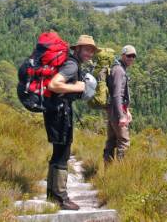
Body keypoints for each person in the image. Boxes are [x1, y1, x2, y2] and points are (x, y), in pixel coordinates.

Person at [45, 34, 97, 210]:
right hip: (60, 113)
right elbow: (53, 84)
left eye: (92, 50)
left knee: (58, 152)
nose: (89, 53)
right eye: (86, 49)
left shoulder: (71, 63)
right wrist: (78, 87)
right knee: (63, 153)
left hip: (56, 111)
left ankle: (52, 195)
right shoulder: (71, 65)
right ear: (78, 49)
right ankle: (61, 198)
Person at [103, 45, 137, 163]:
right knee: (124, 141)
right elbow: (117, 95)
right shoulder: (119, 71)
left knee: (111, 141)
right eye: (128, 56)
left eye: (133, 56)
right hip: (116, 110)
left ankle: (109, 172)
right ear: (123, 55)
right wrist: (121, 116)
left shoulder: (119, 68)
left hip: (114, 109)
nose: (131, 58)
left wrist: (126, 110)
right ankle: (121, 173)